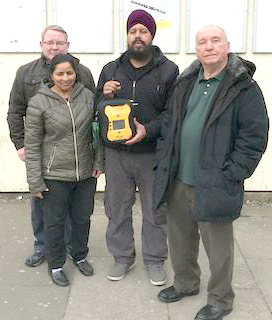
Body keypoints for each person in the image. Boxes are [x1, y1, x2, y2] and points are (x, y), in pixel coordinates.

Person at [153, 25, 269, 320]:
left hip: (216, 180)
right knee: (180, 239)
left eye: (215, 40)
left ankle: (220, 299)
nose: (208, 46)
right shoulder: (186, 82)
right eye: (202, 42)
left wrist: (233, 173)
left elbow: (254, 135)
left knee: (218, 247)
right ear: (197, 50)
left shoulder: (243, 87)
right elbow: (170, 122)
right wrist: (165, 158)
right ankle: (186, 283)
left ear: (227, 46)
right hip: (179, 177)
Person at [95, 9, 178, 286]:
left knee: (155, 210)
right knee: (117, 208)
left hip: (152, 153)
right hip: (117, 155)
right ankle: (122, 258)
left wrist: (147, 131)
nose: (137, 36)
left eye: (143, 31)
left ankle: (155, 260)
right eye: (133, 31)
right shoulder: (110, 69)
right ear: (127, 35)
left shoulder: (168, 70)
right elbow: (97, 108)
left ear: (151, 35)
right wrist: (103, 94)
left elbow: (172, 114)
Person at [7, 25, 95, 267]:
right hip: (44, 154)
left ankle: (69, 247)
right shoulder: (26, 73)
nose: (54, 47)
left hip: (77, 156)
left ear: (67, 45)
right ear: (41, 45)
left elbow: (92, 111)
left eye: (59, 43)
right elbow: (15, 111)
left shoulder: (83, 72)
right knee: (42, 205)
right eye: (50, 43)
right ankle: (42, 246)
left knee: (73, 210)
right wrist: (20, 143)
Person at [24, 53, 103, 286]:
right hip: (54, 174)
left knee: (81, 219)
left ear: (75, 74)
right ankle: (56, 264)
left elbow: (97, 134)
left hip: (85, 174)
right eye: (60, 73)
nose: (65, 78)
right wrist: (35, 182)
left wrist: (98, 162)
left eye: (69, 73)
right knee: (54, 222)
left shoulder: (87, 96)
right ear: (51, 76)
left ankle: (79, 256)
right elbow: (33, 143)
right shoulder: (39, 102)